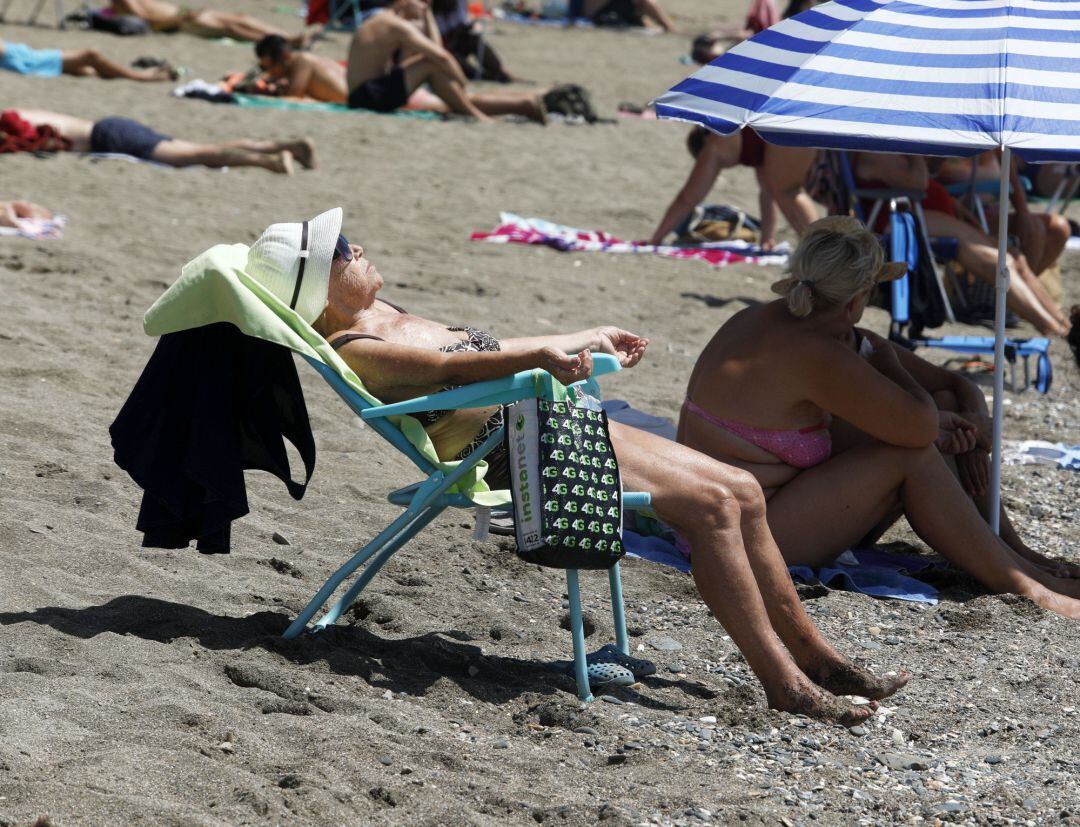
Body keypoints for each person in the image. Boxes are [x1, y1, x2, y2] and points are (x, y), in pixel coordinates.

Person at [239, 207, 912, 724]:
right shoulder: (360, 345)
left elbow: (482, 351)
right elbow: (451, 368)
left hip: (543, 417)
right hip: (514, 450)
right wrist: (547, 355)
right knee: (710, 506)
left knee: (741, 488)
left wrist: (574, 340)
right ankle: (785, 683)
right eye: (341, 252)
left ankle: (820, 657)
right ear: (318, 287)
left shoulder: (382, 312)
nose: (357, 249)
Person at [678, 216, 1080, 620]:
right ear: (857, 299)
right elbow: (920, 428)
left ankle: (1015, 554)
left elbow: (952, 384)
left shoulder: (778, 321)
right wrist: (895, 369)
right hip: (735, 533)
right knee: (913, 453)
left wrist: (973, 424)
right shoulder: (818, 353)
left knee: (939, 410)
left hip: (754, 508)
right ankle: (1027, 584)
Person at [853, 152, 1070, 337]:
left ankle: (1064, 325)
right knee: (1000, 260)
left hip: (931, 215)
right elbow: (918, 182)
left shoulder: (895, 151)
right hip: (901, 220)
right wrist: (915, 151)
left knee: (1014, 257)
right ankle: (1051, 328)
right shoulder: (876, 154)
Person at [346, 0, 546, 121]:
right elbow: (440, 55)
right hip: (368, 97)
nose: (423, 4)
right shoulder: (397, 26)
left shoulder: (380, 21)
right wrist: (461, 81)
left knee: (432, 67)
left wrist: (427, 14)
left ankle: (524, 104)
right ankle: (479, 116)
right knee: (433, 67)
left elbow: (432, 51)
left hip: (364, 93)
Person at [649, 126, 818, 248]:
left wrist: (657, 238)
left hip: (785, 129)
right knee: (783, 190)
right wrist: (767, 239)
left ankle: (823, 248)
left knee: (787, 191)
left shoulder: (713, 146)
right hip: (788, 126)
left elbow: (687, 198)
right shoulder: (755, 149)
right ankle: (821, 249)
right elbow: (767, 193)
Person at [10, 109, 316, 175]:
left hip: (107, 136)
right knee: (195, 147)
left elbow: (32, 136)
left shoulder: (9, 120)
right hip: (114, 126)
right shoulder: (18, 112)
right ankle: (288, 147)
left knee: (192, 154)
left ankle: (268, 161)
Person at [109, 0, 308, 44]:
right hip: (182, 22)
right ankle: (282, 42)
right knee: (231, 28)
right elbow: (146, 20)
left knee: (242, 17)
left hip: (187, 14)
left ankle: (286, 35)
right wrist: (180, 18)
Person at [0, 39, 176, 82]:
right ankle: (140, 77)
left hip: (18, 54)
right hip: (19, 59)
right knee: (91, 56)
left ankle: (156, 75)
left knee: (87, 71)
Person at [255, 35, 349, 103]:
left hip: (354, 100)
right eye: (264, 68)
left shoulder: (302, 61)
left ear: (286, 56)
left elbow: (292, 98)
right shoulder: (306, 59)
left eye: (270, 66)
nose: (269, 72)